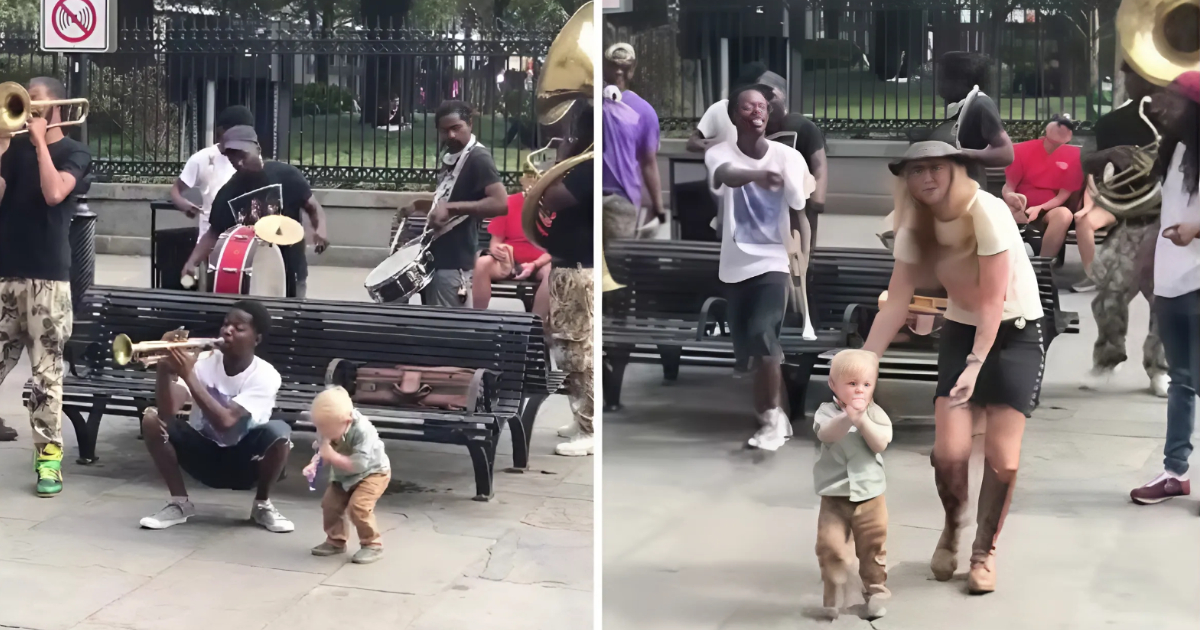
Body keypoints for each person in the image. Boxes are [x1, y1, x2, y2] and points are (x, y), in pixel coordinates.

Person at [865, 141, 1045, 594]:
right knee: (949, 452)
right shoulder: (914, 226)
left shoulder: (987, 212)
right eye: (916, 171)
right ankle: (952, 527)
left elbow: (992, 299)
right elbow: (897, 300)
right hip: (962, 331)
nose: (926, 179)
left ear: (957, 171)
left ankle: (984, 553)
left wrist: (974, 366)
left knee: (1003, 461)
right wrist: (862, 363)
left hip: (1014, 331)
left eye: (936, 169)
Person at [703, 84, 812, 452]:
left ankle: (770, 419)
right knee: (753, 348)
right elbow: (728, 175)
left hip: (775, 261)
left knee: (765, 334)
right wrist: (757, 176)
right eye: (748, 107)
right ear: (734, 115)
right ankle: (774, 415)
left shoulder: (788, 158)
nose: (757, 112)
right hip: (736, 266)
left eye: (763, 106)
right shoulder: (719, 152)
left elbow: (800, 214)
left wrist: (803, 265)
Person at [0, 77, 91, 493]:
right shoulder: (11, 148)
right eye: (25, 103)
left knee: (45, 376)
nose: (29, 110)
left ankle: (48, 461)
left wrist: (39, 145)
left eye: (36, 104)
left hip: (48, 280)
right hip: (6, 274)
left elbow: (54, 194)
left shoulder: (74, 152)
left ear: (57, 110)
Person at [138, 300, 295, 533]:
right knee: (151, 420)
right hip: (204, 456)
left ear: (257, 339)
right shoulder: (203, 363)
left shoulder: (265, 375)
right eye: (225, 324)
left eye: (238, 328)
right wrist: (163, 369)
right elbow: (168, 414)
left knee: (279, 432)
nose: (227, 331)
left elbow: (226, 424)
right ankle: (179, 504)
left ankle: (262, 505)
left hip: (246, 461)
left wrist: (189, 375)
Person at [1129, 71, 1200, 506]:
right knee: (1181, 381)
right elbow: (1171, 209)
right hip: (1173, 279)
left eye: (1172, 100)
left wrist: (1196, 229)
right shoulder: (1173, 150)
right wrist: (1147, 255)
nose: (1161, 105)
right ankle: (1175, 471)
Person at [1079, 67, 1170, 395]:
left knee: (1166, 299)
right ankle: (1107, 359)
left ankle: (1160, 368)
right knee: (1108, 294)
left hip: (1172, 227)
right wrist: (1108, 155)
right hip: (1133, 223)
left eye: (1132, 76)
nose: (1127, 82)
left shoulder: (1186, 117)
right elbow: (1085, 160)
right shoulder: (1114, 122)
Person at [181, 126, 329, 299]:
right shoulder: (227, 194)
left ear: (257, 149)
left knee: (292, 320)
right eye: (233, 158)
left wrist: (321, 229)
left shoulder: (287, 175)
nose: (239, 162)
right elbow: (213, 233)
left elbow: (313, 206)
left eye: (243, 155)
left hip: (293, 269)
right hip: (253, 279)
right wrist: (192, 262)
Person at [689, 63, 828, 237]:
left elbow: (819, 165)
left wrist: (818, 198)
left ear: (782, 95)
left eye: (770, 96)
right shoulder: (751, 128)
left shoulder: (802, 126)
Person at [533, 100, 595, 457]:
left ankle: (590, 428)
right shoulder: (585, 163)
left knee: (579, 349)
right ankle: (580, 415)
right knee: (569, 349)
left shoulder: (589, 165)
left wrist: (561, 161)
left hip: (578, 269)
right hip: (568, 265)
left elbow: (552, 197)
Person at [813, 349, 892, 621]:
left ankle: (876, 591)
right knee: (830, 546)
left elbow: (880, 443)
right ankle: (833, 594)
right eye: (852, 384)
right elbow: (827, 435)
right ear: (833, 385)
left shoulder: (876, 413)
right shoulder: (826, 413)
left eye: (866, 385)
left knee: (872, 547)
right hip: (835, 496)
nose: (860, 390)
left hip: (871, 495)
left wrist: (862, 420)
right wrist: (848, 417)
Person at [422, 100, 508, 307]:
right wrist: (416, 206)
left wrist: (452, 208)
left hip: (455, 262)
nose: (450, 135)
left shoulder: (478, 158)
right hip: (438, 257)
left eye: (456, 128)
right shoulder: (453, 156)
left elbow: (501, 203)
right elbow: (449, 198)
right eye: (444, 131)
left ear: (470, 123)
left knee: (450, 332)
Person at [305, 386, 392, 565]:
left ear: (347, 421)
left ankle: (372, 544)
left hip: (373, 472)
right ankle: (336, 540)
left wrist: (333, 456)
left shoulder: (364, 431)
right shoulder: (327, 424)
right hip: (342, 474)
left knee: (358, 506)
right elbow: (323, 449)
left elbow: (359, 464)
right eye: (321, 430)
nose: (325, 435)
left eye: (329, 432)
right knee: (330, 504)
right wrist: (315, 463)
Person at [602, 43, 665, 238]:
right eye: (613, 65)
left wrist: (659, 208)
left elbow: (648, 162)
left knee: (613, 265)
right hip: (585, 195)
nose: (619, 71)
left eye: (626, 67)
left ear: (633, 69)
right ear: (604, 66)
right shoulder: (589, 103)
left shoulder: (645, 112)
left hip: (620, 201)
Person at [1002, 114, 1083, 259]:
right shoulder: (1023, 150)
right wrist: (1013, 200)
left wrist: (1040, 208)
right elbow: (1009, 187)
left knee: (1064, 214)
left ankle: (1044, 263)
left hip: (1048, 210)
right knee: (1005, 211)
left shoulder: (1073, 156)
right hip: (1021, 205)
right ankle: (1009, 259)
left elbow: (1062, 196)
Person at [928, 52, 1014, 189]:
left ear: (960, 80)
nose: (938, 85)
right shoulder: (961, 105)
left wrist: (960, 154)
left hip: (969, 192)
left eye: (942, 78)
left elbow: (1006, 153)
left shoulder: (980, 104)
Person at [170, 106, 253, 246]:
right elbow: (175, 190)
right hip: (210, 242)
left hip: (245, 239)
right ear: (222, 131)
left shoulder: (253, 159)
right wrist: (184, 204)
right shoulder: (201, 159)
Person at [472, 172, 550, 318]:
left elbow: (556, 250)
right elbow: (495, 241)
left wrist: (534, 264)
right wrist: (497, 251)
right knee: (482, 263)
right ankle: (478, 318)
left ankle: (535, 325)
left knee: (552, 272)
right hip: (510, 259)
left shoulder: (555, 206)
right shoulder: (511, 202)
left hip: (541, 262)